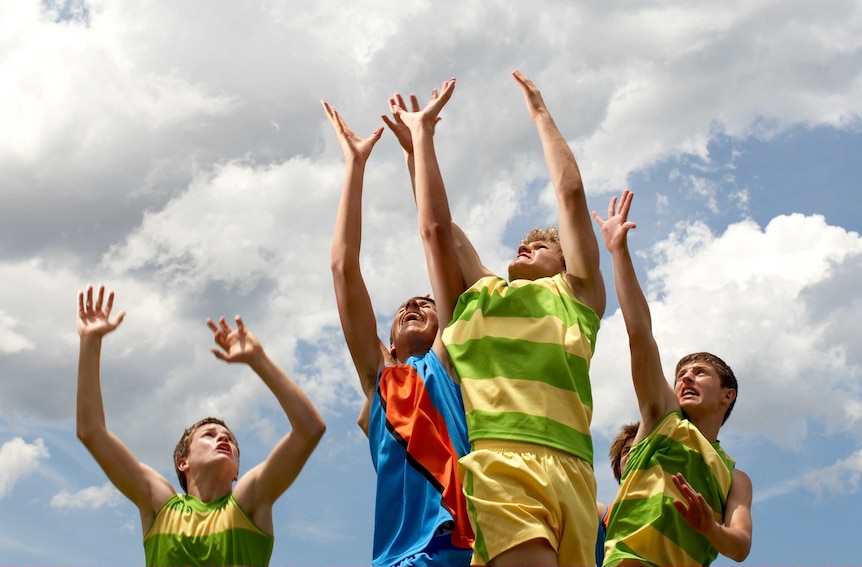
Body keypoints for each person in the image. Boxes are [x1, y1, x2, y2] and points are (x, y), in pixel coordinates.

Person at [394, 70, 606, 567]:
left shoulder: (577, 298)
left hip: (575, 474)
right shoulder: (478, 297)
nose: (527, 245)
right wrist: (418, 146)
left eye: (543, 244)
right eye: (524, 242)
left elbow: (571, 195)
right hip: (500, 465)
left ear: (564, 261)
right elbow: (436, 229)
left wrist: (538, 111)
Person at [75, 284, 325, 567]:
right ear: (183, 462)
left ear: (237, 471)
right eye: (209, 435)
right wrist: (90, 341)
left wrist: (259, 360)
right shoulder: (160, 504)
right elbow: (91, 432)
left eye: (230, 439)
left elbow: (309, 429)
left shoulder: (248, 501)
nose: (224, 440)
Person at [324, 96, 473, 567]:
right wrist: (355, 165)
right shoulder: (381, 383)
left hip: (458, 548)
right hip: (393, 560)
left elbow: (438, 237)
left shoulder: (450, 362)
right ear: (387, 343)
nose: (413, 304)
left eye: (427, 303)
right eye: (405, 306)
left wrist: (417, 152)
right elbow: (343, 269)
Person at [592, 190, 753, 566]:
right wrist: (618, 252)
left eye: (700, 373)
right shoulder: (662, 417)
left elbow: (740, 546)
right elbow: (640, 333)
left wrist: (709, 528)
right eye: (681, 374)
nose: (686, 378)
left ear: (728, 395)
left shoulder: (735, 478)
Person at [595, 422, 639, 566]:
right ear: (618, 468)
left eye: (640, 448)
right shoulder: (604, 515)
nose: (632, 453)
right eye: (626, 451)